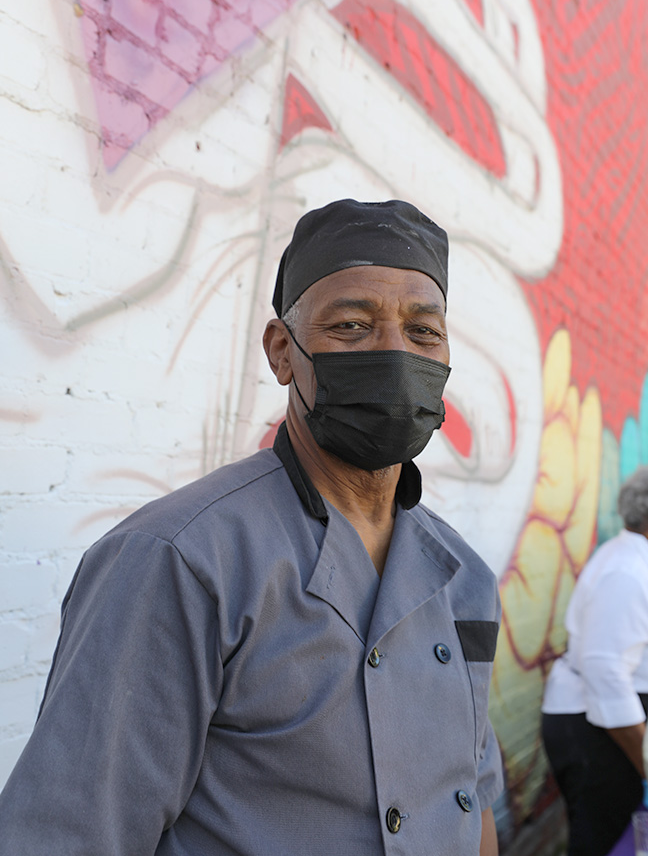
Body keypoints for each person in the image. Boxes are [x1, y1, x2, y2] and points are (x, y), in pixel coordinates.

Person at [0, 199, 503, 855]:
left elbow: (472, 805)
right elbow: (68, 836)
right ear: (282, 352)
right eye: (351, 325)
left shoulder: (464, 579)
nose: (393, 352)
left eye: (422, 331)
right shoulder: (178, 561)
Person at [542, 466, 648, 855]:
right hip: (594, 729)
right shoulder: (628, 571)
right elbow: (605, 669)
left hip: (609, 724)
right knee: (603, 841)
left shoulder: (634, 559)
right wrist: (645, 759)